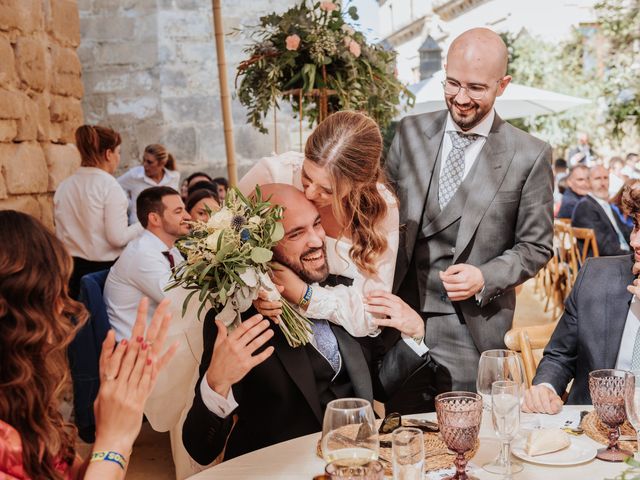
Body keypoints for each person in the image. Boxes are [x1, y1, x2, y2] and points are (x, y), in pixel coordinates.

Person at [181, 184, 438, 464]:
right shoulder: (236, 320)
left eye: (316, 224)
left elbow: (376, 385)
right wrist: (216, 383)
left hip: (358, 461)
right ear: (261, 248)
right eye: (296, 233)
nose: (317, 240)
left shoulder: (341, 293)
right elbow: (200, 450)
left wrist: (413, 337)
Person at [385, 27, 554, 402]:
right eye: (452, 83)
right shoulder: (409, 133)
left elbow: (537, 246)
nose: (460, 98)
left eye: (476, 88)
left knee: (466, 440)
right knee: (405, 438)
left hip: (471, 330)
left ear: (503, 84)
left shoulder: (529, 154)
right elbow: (381, 219)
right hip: (400, 319)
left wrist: (485, 275)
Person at [0, 210, 177, 479]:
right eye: (52, 294)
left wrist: (118, 419)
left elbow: (82, 473)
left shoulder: (19, 394)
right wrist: (114, 439)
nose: (63, 307)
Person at [238, 111, 399, 337]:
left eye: (327, 190)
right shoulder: (273, 173)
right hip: (265, 332)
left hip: (346, 344)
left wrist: (304, 295)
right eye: (307, 176)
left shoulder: (382, 208)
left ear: (360, 183)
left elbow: (372, 314)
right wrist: (255, 292)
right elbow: (221, 244)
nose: (310, 192)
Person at [523, 183, 640, 413]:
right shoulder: (596, 277)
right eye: (636, 225)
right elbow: (560, 355)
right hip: (591, 433)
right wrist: (546, 387)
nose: (634, 241)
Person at [54, 125, 143, 299]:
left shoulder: (64, 185)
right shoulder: (110, 186)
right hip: (102, 271)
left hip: (70, 269)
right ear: (108, 154)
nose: (118, 158)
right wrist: (142, 225)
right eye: (118, 152)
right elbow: (117, 238)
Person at [105, 186, 191, 340]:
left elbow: (188, 284)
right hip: (136, 349)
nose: (188, 216)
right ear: (155, 219)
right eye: (178, 212)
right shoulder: (142, 255)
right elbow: (181, 302)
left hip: (161, 335)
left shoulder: (170, 249)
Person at [571, 165, 631, 257]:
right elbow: (605, 248)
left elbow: (624, 232)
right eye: (597, 179)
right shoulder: (585, 207)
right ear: (588, 182)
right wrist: (632, 256)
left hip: (621, 257)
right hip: (608, 264)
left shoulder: (604, 204)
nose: (603, 183)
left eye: (606, 178)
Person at [118, 144, 180, 224]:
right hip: (138, 227)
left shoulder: (173, 177)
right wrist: (129, 204)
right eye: (143, 160)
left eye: (149, 162)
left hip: (164, 227)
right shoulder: (135, 175)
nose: (144, 165)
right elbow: (116, 186)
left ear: (162, 163)